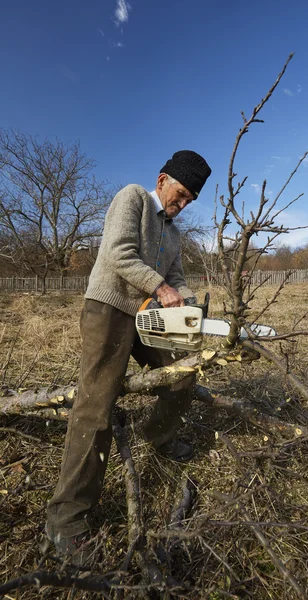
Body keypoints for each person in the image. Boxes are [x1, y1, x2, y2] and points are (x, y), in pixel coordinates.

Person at [46, 150, 211, 558]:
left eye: (191, 199)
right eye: (181, 192)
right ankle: (65, 518)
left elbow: (176, 279)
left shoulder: (172, 233)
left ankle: (158, 435)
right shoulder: (133, 198)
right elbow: (119, 254)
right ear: (162, 180)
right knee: (96, 406)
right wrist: (160, 288)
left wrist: (193, 306)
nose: (183, 202)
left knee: (183, 370)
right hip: (109, 308)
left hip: (144, 318)